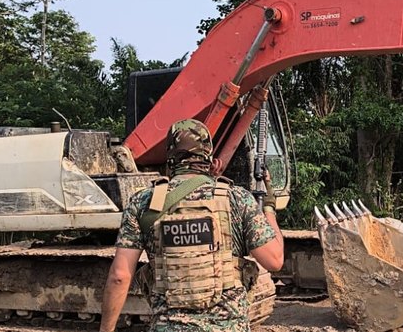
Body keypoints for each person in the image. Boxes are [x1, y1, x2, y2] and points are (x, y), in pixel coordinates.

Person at [99, 118, 284, 332]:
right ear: (208, 154)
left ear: (170, 157)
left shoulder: (144, 202)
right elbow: (275, 260)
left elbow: (120, 277)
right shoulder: (237, 199)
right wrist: (269, 207)